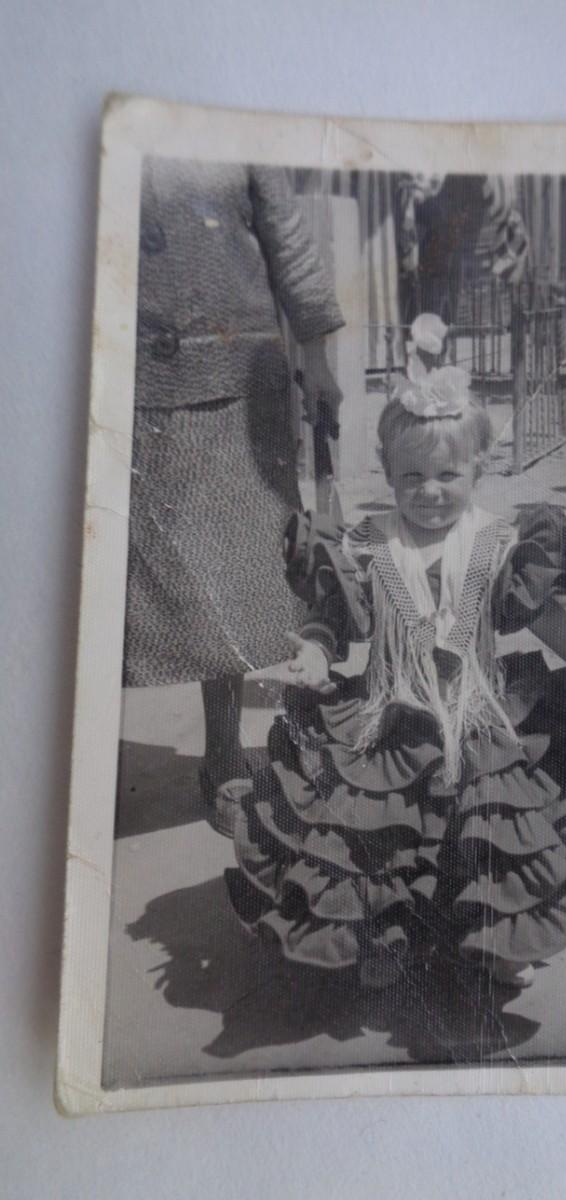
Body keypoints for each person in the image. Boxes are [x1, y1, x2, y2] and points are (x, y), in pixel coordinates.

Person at [225, 315, 566, 994]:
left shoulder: (495, 543)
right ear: (389, 473)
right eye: (412, 477)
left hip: (478, 715)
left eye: (447, 476)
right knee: (381, 836)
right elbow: (331, 616)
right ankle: (382, 934)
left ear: (477, 469)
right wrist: (314, 653)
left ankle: (501, 940)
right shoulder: (368, 545)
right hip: (390, 717)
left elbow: (545, 616)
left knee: (490, 833)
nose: (430, 492)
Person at [126, 159, 344, 834]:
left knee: (239, 581)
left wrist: (317, 360)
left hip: (238, 381)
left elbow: (288, 238)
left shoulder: (239, 128)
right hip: (128, 380)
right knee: (124, 585)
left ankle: (224, 752)